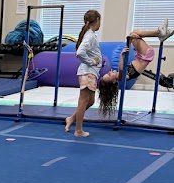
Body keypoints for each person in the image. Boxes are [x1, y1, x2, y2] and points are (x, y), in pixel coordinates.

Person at [97, 19, 174, 116]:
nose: (109, 72)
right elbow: (121, 68)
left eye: (107, 73)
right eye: (109, 75)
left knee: (134, 34)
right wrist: (122, 55)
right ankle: (159, 32)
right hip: (145, 55)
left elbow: (122, 68)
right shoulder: (122, 77)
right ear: (113, 81)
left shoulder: (121, 76)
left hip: (141, 55)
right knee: (134, 33)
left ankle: (162, 34)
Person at [63, 9, 105, 138]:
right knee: (83, 101)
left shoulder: (90, 34)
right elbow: (80, 52)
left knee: (90, 101)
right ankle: (79, 130)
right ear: (97, 20)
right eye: (100, 21)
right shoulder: (90, 35)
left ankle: (71, 118)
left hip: (90, 72)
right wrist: (92, 61)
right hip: (88, 72)